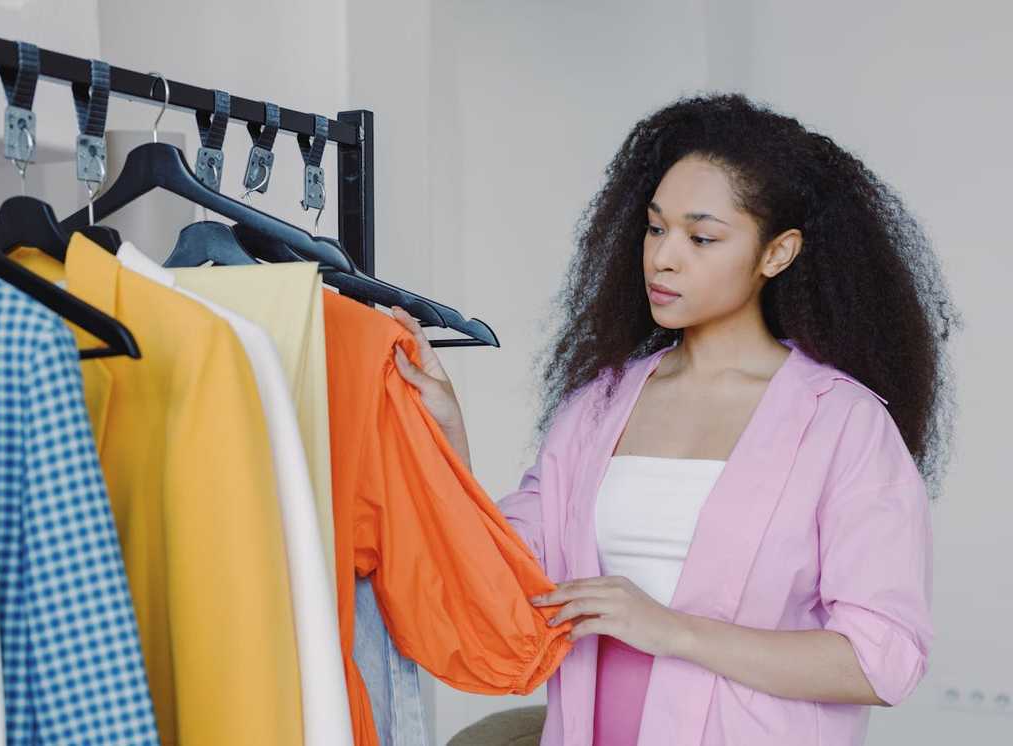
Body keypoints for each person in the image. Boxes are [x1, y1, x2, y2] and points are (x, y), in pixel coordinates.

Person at [389, 92, 960, 746]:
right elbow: (509, 573)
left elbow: (883, 659)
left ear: (778, 253)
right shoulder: (600, 405)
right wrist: (447, 433)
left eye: (701, 236)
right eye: (656, 228)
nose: (663, 257)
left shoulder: (844, 425)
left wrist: (673, 630)